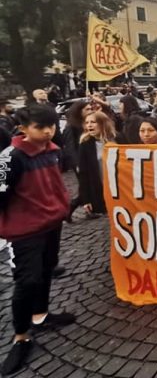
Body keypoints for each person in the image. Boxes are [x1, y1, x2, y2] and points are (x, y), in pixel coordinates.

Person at [0, 106, 75, 376]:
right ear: (23, 127)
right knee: (27, 280)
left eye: (51, 126)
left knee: (46, 271)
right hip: (24, 231)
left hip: (51, 224)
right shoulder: (10, 157)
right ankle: (20, 337)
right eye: (39, 126)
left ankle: (40, 315)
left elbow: (56, 184)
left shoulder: (53, 151)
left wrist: (62, 207)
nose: (47, 131)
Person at [78, 111, 116, 218]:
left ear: (102, 123)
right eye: (87, 122)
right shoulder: (85, 144)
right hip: (100, 189)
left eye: (93, 122)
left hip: (119, 189)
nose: (89, 125)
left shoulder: (117, 139)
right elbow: (83, 173)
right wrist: (86, 199)